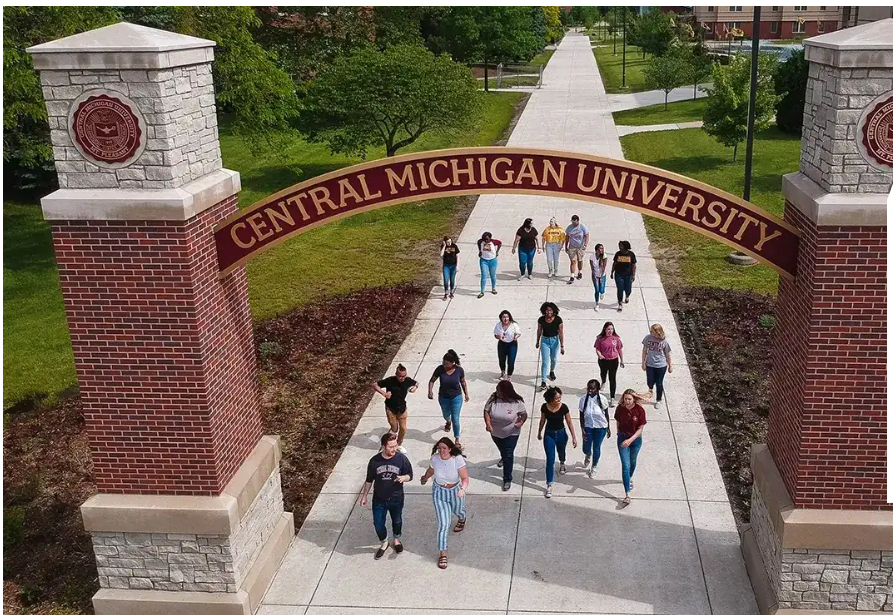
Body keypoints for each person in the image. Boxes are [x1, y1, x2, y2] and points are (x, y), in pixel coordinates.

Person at [359, 432, 413, 559]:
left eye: (395, 446)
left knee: (397, 520)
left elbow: (410, 475)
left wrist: (404, 477)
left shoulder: (401, 459)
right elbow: (369, 480)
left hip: (396, 497)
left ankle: (396, 540)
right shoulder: (374, 461)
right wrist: (364, 496)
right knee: (378, 523)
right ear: (383, 446)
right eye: (390, 447)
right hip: (379, 499)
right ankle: (384, 542)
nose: (394, 449)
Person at [419, 437, 469, 569]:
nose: (442, 450)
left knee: (459, 510)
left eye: (444, 448)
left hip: (455, 491)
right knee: (444, 523)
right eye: (440, 448)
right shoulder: (435, 459)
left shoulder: (457, 459)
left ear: (450, 449)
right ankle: (443, 553)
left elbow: (464, 478)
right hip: (439, 492)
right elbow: (431, 470)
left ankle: (462, 518)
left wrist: (463, 490)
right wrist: (425, 477)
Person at [483, 380, 528, 491]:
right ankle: (503, 457)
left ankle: (507, 478)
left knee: (508, 454)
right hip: (495, 432)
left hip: (512, 432)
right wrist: (488, 424)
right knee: (503, 450)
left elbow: (524, 414)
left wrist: (521, 422)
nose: (497, 392)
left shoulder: (516, 402)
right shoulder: (493, 398)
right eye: (497, 390)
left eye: (499, 391)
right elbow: (486, 411)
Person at [537, 386, 577, 498]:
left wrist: (574, 437)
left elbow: (569, 422)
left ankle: (562, 463)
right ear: (550, 399)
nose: (559, 400)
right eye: (557, 398)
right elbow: (542, 420)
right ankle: (549, 484)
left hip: (561, 434)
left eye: (560, 397)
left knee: (561, 451)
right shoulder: (544, 407)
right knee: (550, 459)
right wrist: (539, 432)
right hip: (549, 434)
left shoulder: (564, 407)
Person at [428, 350, 470, 449]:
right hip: (443, 397)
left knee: (456, 418)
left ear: (453, 363)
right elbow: (432, 380)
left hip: (456, 397)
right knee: (446, 415)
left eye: (446, 363)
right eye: (443, 362)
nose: (444, 365)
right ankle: (448, 421)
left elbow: (463, 382)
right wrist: (430, 391)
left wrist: (466, 394)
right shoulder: (439, 369)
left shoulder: (459, 370)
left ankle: (457, 439)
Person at [372, 364, 418, 453]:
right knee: (394, 428)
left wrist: (415, 388)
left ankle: (398, 444)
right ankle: (386, 444)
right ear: (396, 374)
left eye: (404, 376)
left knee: (403, 429)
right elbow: (375, 385)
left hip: (402, 408)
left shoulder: (408, 380)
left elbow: (417, 383)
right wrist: (384, 393)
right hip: (391, 408)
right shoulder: (390, 381)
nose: (402, 378)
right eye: (400, 376)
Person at [615, 389, 647, 505]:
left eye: (629, 399)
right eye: (625, 399)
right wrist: (618, 433)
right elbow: (617, 421)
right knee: (626, 465)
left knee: (633, 462)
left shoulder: (640, 411)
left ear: (634, 399)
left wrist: (630, 440)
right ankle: (627, 494)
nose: (627, 401)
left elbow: (640, 429)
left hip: (635, 440)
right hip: (623, 439)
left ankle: (629, 477)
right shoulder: (620, 409)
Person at [579, 379, 611, 478]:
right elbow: (581, 414)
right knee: (586, 447)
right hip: (588, 426)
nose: (590, 390)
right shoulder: (583, 399)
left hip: (600, 427)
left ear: (597, 389)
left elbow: (606, 414)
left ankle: (594, 466)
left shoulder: (602, 399)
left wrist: (608, 428)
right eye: (589, 388)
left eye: (592, 389)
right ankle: (588, 454)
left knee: (596, 447)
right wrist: (582, 428)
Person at [642, 323, 673, 409]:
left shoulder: (664, 341)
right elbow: (644, 350)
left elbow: (668, 354)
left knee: (659, 383)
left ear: (658, 332)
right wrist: (643, 363)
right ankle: (650, 389)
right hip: (650, 364)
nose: (651, 333)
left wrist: (670, 365)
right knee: (650, 381)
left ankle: (658, 399)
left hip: (661, 365)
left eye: (652, 331)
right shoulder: (648, 338)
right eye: (651, 331)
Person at [535, 302, 564, 391]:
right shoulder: (541, 320)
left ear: (554, 311)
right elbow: (539, 330)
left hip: (555, 341)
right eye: (547, 310)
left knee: (554, 359)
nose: (548, 312)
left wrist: (562, 345)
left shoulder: (558, 320)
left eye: (550, 310)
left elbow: (561, 333)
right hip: (545, 341)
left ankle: (551, 371)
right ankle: (543, 381)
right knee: (545, 361)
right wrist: (537, 341)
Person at [594, 322, 624, 404]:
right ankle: (603, 382)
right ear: (605, 329)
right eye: (608, 329)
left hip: (614, 361)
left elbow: (619, 349)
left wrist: (622, 360)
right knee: (603, 374)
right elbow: (597, 349)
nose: (610, 331)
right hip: (603, 360)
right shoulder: (600, 339)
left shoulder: (616, 339)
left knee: (612, 379)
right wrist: (600, 355)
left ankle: (612, 397)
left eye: (612, 329)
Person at [493, 310, 521, 381]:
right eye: (504, 317)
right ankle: (503, 372)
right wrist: (498, 337)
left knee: (511, 361)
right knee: (501, 360)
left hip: (512, 344)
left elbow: (518, 333)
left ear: (509, 317)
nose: (505, 319)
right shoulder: (498, 325)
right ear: (501, 318)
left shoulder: (514, 325)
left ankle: (509, 376)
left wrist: (515, 337)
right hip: (502, 344)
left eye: (507, 317)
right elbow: (495, 334)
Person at [610, 240, 637, 311]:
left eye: (621, 246)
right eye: (619, 246)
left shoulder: (631, 254)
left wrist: (633, 275)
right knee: (620, 289)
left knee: (628, 289)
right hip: (619, 274)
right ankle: (620, 303)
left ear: (625, 246)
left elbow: (634, 265)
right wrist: (612, 272)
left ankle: (627, 296)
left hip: (628, 275)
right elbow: (614, 263)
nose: (619, 247)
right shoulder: (617, 254)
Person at [564, 215, 589, 284]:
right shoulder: (569, 228)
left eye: (574, 222)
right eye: (572, 222)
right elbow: (567, 237)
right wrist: (566, 246)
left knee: (580, 260)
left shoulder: (582, 227)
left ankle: (580, 272)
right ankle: (572, 276)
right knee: (573, 261)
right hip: (572, 246)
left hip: (580, 246)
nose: (573, 224)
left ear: (577, 221)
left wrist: (585, 244)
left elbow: (587, 235)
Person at [477, 232, 502, 298]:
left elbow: (500, 243)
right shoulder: (481, 242)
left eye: (487, 239)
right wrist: (480, 250)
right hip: (484, 261)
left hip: (493, 260)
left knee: (492, 275)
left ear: (490, 238)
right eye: (484, 239)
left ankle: (493, 288)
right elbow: (478, 243)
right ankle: (482, 292)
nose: (486, 241)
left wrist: (497, 252)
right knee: (484, 276)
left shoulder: (493, 242)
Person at [588, 243, 608, 311]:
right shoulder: (592, 257)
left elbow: (604, 267)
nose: (601, 250)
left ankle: (602, 292)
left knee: (601, 290)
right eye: (600, 248)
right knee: (596, 290)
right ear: (596, 250)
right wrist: (594, 275)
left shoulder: (604, 256)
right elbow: (592, 268)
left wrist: (601, 277)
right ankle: (597, 304)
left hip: (602, 275)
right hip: (595, 275)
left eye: (602, 248)